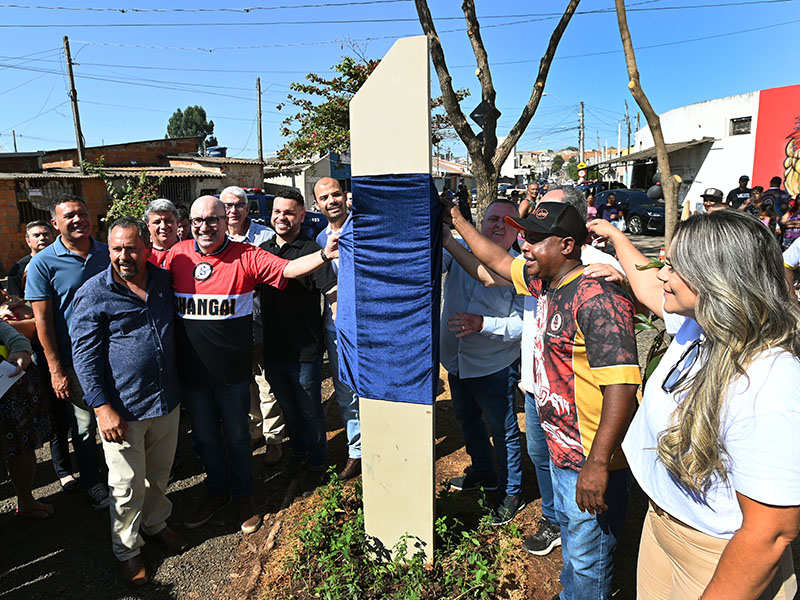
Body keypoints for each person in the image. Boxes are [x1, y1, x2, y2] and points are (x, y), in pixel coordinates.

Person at [589, 211, 800, 600]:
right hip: (664, 525)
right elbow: (646, 284)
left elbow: (771, 532)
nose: (663, 274)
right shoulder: (700, 323)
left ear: (716, 281)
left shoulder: (769, 381)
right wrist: (617, 235)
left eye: (675, 267)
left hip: (718, 554)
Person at [445, 199, 641, 600]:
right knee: (573, 537)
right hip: (561, 447)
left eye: (535, 239)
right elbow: (497, 261)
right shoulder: (546, 283)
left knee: (590, 555)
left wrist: (598, 464)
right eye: (525, 237)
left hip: (589, 455)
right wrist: (457, 222)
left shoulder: (596, 298)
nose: (524, 246)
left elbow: (621, 387)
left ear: (567, 245)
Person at [162, 195, 339, 534]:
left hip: (232, 374)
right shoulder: (177, 256)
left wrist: (322, 254)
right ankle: (217, 492)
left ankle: (244, 496)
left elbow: (286, 269)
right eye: (198, 221)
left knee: (238, 437)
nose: (205, 227)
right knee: (206, 439)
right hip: (193, 375)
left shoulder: (247, 255)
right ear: (189, 224)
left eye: (212, 220)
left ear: (225, 221)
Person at [71, 218, 186, 587]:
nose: (124, 256)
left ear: (147, 248)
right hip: (123, 409)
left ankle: (155, 524)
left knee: (159, 474)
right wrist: (102, 407)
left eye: (131, 248)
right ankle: (127, 549)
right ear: (109, 249)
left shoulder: (165, 281)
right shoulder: (94, 292)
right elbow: (85, 356)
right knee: (125, 484)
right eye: (117, 248)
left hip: (166, 399)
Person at [441, 199, 526, 525]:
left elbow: (522, 326)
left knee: (504, 430)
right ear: (480, 221)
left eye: (508, 221)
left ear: (517, 231)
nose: (499, 226)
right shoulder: (459, 248)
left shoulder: (520, 268)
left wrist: (483, 324)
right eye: (492, 219)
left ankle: (512, 492)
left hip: (493, 365)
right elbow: (433, 260)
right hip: (457, 362)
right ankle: (484, 472)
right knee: (467, 421)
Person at [25, 194, 110, 509]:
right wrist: (56, 370)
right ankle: (93, 481)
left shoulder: (106, 252)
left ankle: (122, 476)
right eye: (69, 216)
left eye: (82, 213)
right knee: (85, 426)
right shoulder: (43, 263)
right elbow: (43, 321)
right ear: (54, 223)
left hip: (115, 354)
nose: (78, 220)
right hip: (76, 361)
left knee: (118, 416)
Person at [260, 188, 337, 496]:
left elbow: (330, 292)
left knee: (310, 411)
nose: (282, 217)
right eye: (278, 212)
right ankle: (298, 456)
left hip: (305, 348)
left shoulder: (311, 250)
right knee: (289, 410)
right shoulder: (262, 251)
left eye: (289, 212)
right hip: (273, 348)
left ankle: (317, 465)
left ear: (302, 216)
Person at [220, 185, 283, 464]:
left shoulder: (265, 236)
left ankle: (274, 439)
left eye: (238, 205)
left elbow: (277, 277)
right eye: (228, 206)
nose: (233, 211)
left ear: (248, 208)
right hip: (228, 328)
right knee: (242, 384)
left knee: (266, 383)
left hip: (260, 322)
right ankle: (253, 430)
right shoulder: (214, 236)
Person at [313, 177, 362, 481]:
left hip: (369, 325)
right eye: (324, 197)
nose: (331, 201)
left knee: (373, 387)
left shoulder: (366, 229)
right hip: (337, 327)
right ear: (316, 204)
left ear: (345, 196)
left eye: (335, 194)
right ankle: (357, 450)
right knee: (345, 391)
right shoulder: (320, 240)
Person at [0, 320, 54, 520]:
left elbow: (15, 338)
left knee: (23, 450)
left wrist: (21, 350)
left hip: (6, 395)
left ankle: (26, 500)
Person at [7, 221, 55, 298]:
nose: (42, 238)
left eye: (45, 234)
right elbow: (15, 300)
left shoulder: (65, 260)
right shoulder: (18, 269)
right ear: (28, 241)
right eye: (36, 235)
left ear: (53, 237)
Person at [144, 199, 180, 267]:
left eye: (168, 221)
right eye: (157, 222)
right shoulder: (143, 253)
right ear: (148, 226)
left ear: (177, 223)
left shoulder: (190, 249)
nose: (163, 226)